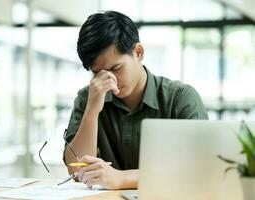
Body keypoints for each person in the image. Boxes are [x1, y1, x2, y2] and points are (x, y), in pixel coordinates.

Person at [63, 10, 208, 189]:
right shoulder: (89, 97)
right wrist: (92, 112)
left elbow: (198, 168)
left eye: (116, 68)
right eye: (97, 73)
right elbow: (76, 169)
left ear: (138, 53)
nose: (109, 80)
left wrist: (122, 179)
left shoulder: (180, 99)